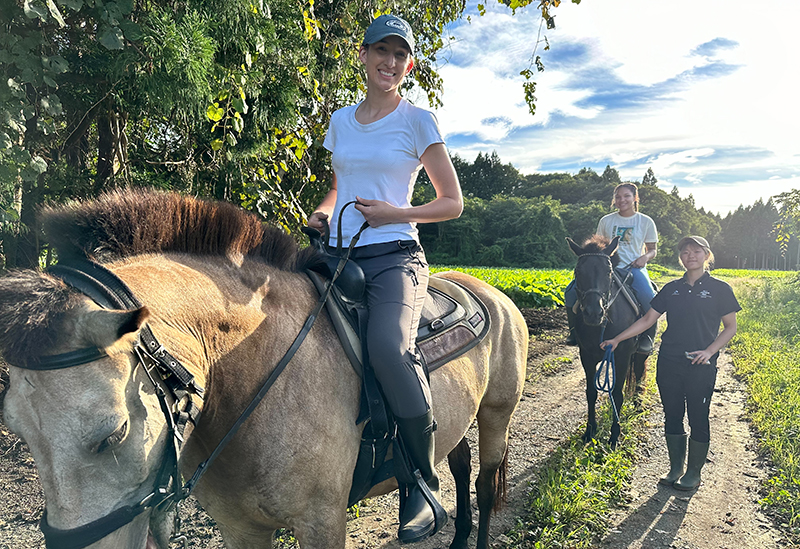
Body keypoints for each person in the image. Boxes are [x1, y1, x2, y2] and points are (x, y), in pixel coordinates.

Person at [307, 14, 462, 543]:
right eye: (382, 52)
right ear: (363, 54)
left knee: (390, 350)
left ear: (409, 65)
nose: (390, 63)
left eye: (400, 56)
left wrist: (394, 214)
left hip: (395, 255)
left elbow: (451, 203)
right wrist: (324, 211)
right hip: (336, 251)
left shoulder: (419, 121)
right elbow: (339, 183)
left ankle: (421, 481)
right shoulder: (341, 120)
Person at [600, 236, 740, 490]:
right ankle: (676, 467)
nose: (690, 256)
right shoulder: (671, 288)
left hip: (701, 364)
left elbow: (730, 327)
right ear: (680, 258)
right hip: (669, 360)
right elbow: (646, 320)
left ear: (706, 255)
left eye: (696, 251)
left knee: (698, 416)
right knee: (672, 414)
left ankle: (693, 473)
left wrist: (709, 351)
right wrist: (617, 339)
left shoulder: (720, 289)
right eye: (685, 252)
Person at [565, 182, 659, 352]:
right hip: (607, 268)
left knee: (648, 296)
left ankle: (647, 337)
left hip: (634, 269)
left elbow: (653, 250)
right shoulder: (606, 220)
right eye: (618, 197)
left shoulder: (645, 221)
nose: (621, 200)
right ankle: (573, 332)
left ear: (635, 198)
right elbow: (597, 246)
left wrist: (644, 258)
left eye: (626, 196)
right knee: (570, 292)